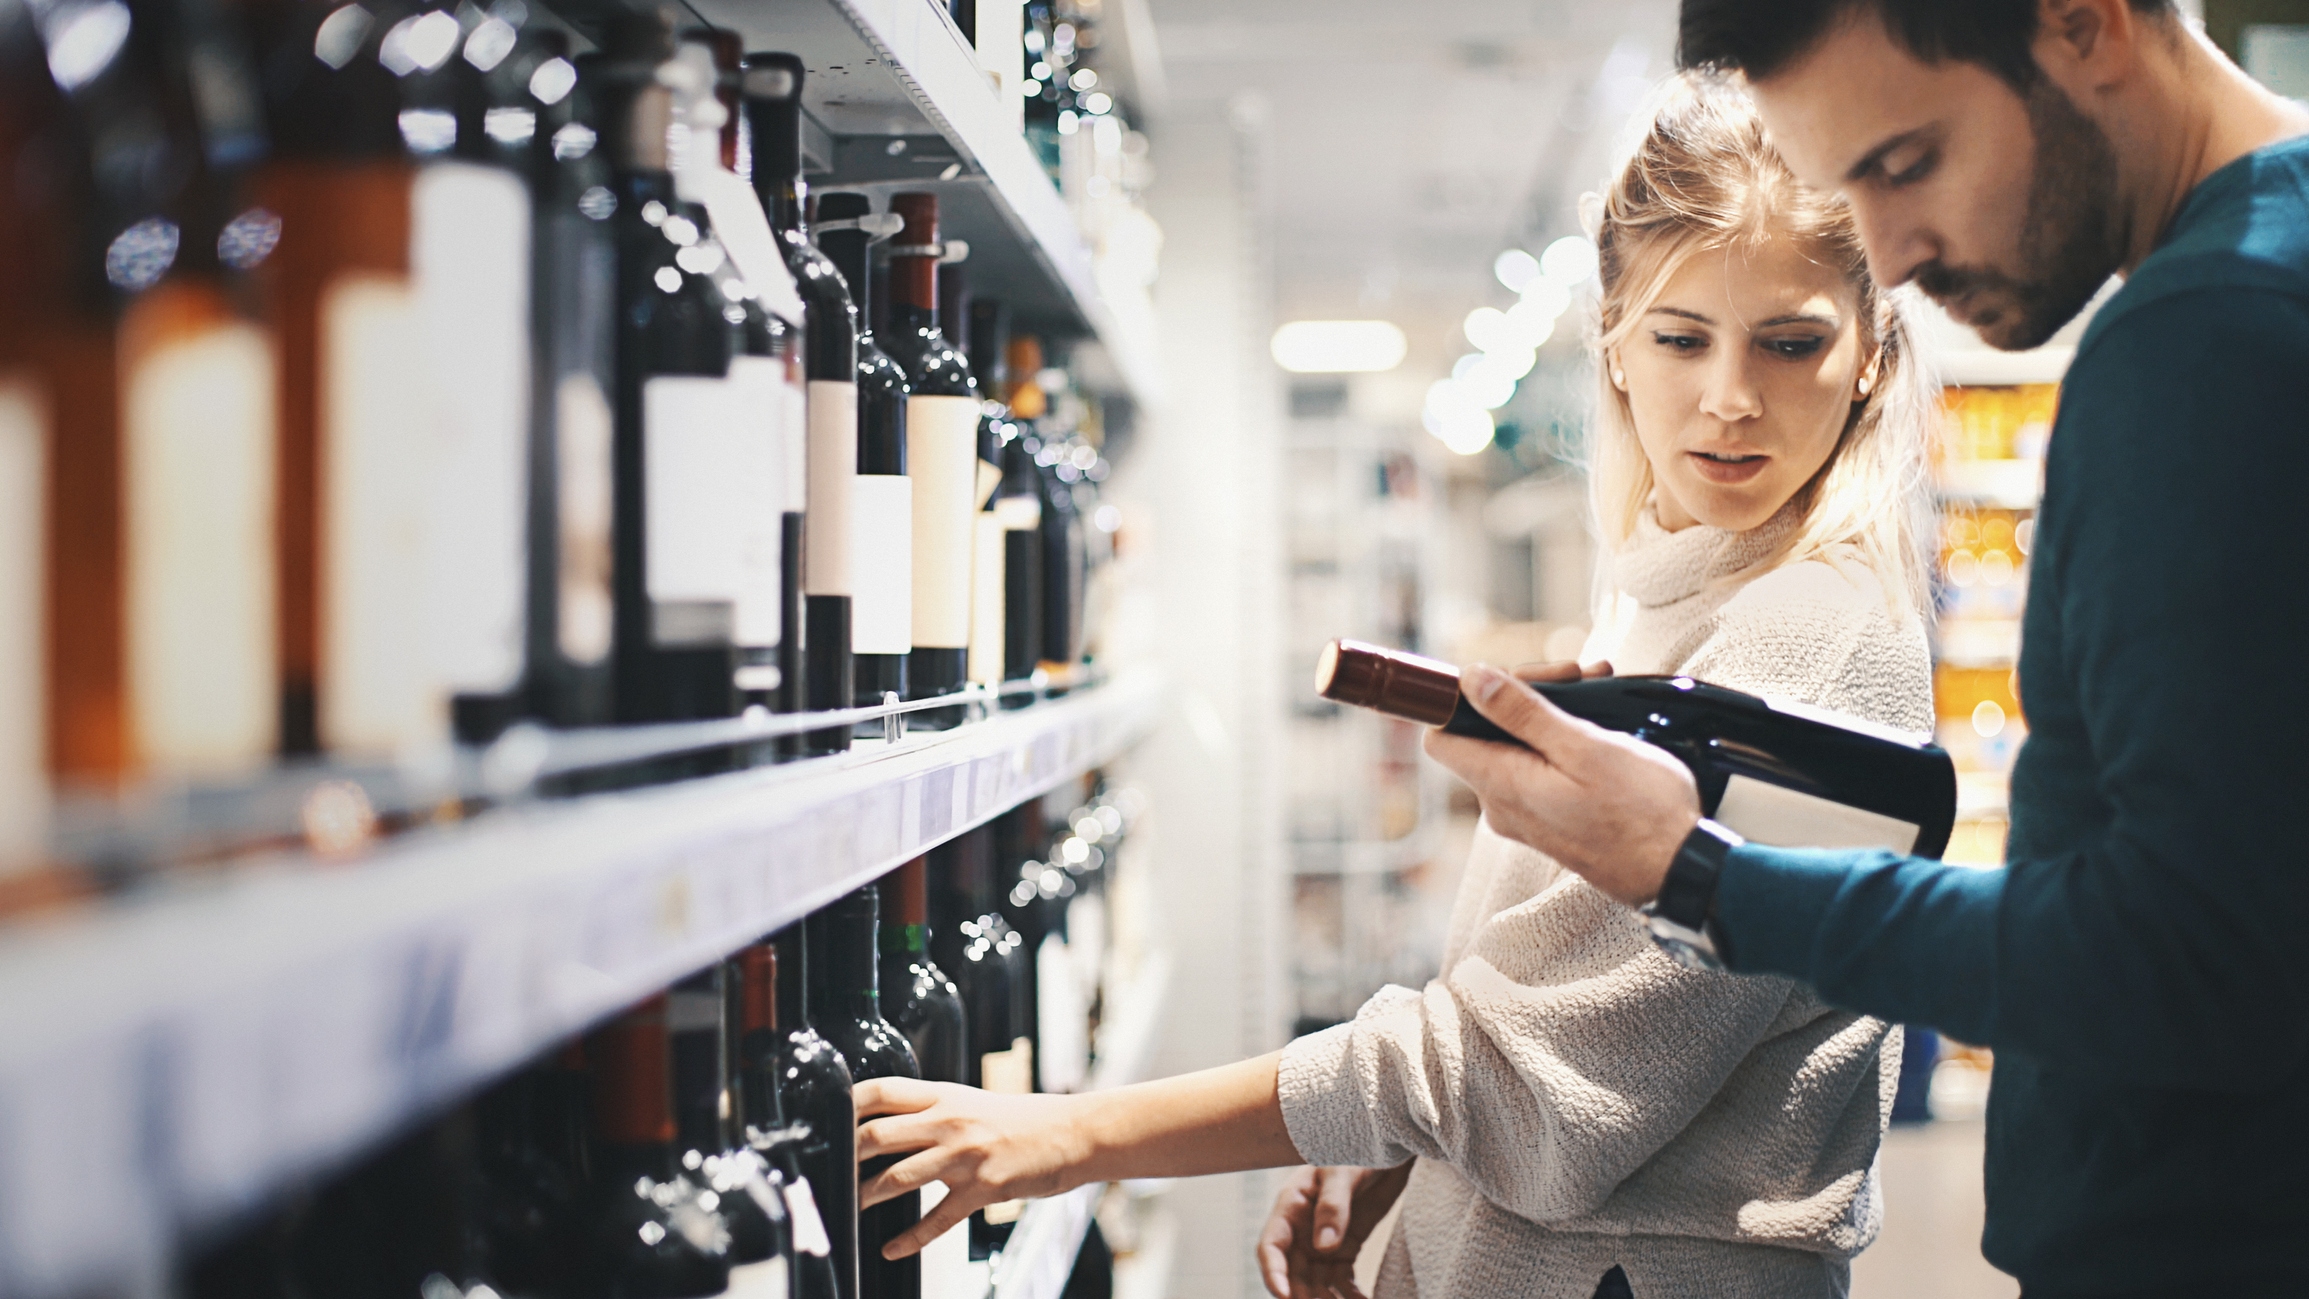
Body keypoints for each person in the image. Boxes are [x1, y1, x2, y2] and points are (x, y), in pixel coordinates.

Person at [850, 76, 1946, 1298]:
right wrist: (1399, 1162)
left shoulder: (1815, 643)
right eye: (1680, 337)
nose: (1729, 396)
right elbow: (1557, 1007)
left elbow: (1547, 1087)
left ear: (1869, 355)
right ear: (1616, 351)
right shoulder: (1668, 590)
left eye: (1788, 342)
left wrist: (1068, 1136)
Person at [1418, 1, 2309, 1295]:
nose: (1884, 259)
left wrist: (1703, 874)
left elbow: (2182, 947)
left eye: (1904, 163)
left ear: (2084, 24)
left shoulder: (2203, 336)